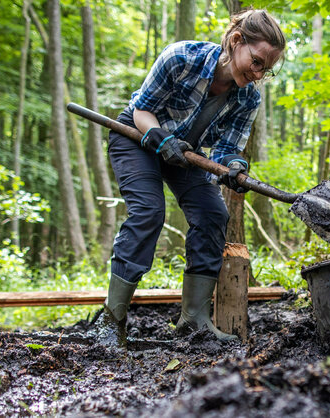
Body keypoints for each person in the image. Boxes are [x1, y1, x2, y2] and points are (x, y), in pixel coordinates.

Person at [93, 9, 286, 347]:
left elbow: (227, 149)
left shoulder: (248, 98)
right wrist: (160, 137)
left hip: (185, 153)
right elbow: (141, 109)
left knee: (214, 214)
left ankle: (193, 321)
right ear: (237, 41)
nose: (257, 74)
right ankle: (111, 322)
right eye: (256, 62)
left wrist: (233, 167)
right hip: (137, 136)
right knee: (149, 212)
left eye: (265, 69)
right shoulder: (181, 57)